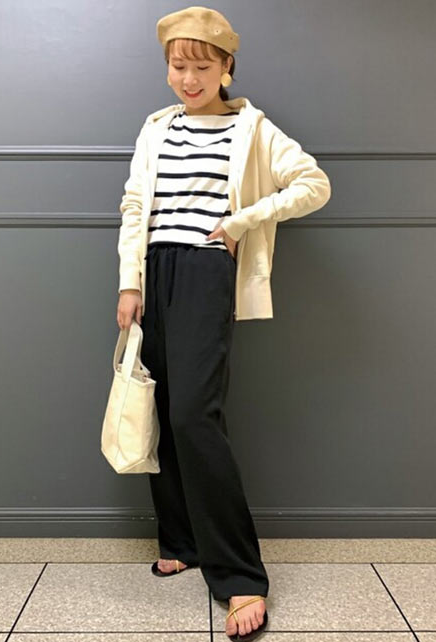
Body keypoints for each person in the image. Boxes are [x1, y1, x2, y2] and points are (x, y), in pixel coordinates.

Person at [116, 6, 332, 640]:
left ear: (226, 67)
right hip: (153, 270)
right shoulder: (156, 127)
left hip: (207, 269)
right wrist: (129, 281)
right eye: (178, 66)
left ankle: (240, 577)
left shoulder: (252, 127)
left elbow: (313, 183)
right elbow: (135, 204)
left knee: (194, 414)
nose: (188, 79)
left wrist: (239, 222)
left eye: (201, 67)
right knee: (161, 407)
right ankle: (181, 541)